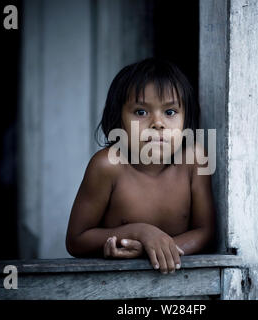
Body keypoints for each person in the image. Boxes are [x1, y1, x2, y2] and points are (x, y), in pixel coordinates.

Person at [65, 57, 216, 274]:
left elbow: (206, 231)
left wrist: (157, 249)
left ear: (186, 120)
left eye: (170, 112)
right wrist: (139, 232)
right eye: (141, 112)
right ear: (118, 119)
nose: (157, 123)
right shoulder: (108, 165)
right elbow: (76, 241)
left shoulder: (194, 159)